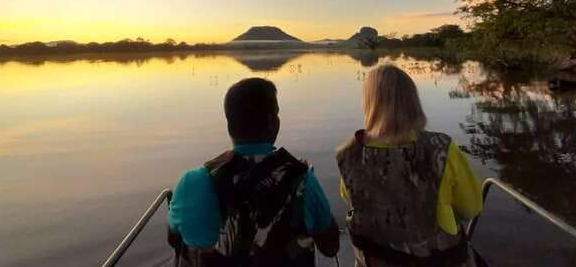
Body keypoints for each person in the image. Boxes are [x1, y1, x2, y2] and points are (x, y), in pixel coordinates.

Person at [168, 77, 339, 266]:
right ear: (273, 122)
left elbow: (174, 239)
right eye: (277, 113)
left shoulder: (192, 182)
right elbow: (331, 248)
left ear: (229, 125)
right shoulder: (302, 180)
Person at [336, 64, 483, 267]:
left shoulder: (349, 154)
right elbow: (471, 208)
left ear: (369, 103)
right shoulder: (441, 149)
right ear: (413, 101)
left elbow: (350, 198)